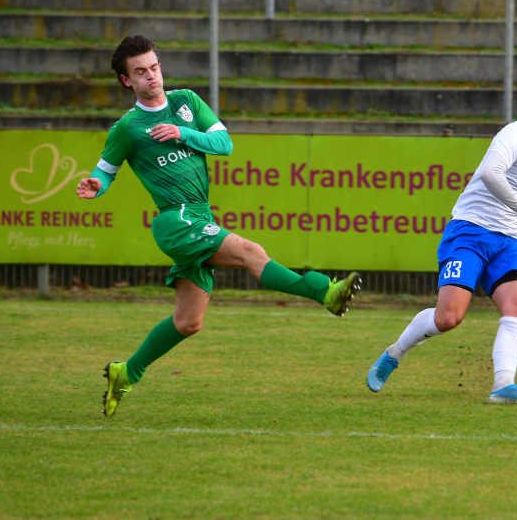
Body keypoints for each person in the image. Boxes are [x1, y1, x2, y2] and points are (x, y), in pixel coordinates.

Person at [77, 35, 361, 417]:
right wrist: (97, 185)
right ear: (126, 80)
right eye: (140, 72)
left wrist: (182, 133)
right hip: (175, 219)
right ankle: (325, 291)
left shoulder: (186, 102)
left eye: (154, 67)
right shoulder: (127, 128)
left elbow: (224, 144)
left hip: (199, 215)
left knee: (188, 322)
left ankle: (125, 372)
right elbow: (105, 171)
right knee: (250, 253)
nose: (151, 76)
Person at [366, 84, 517, 404]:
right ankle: (394, 354)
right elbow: (492, 174)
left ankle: (503, 386)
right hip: (470, 231)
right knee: (448, 318)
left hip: (508, 243)